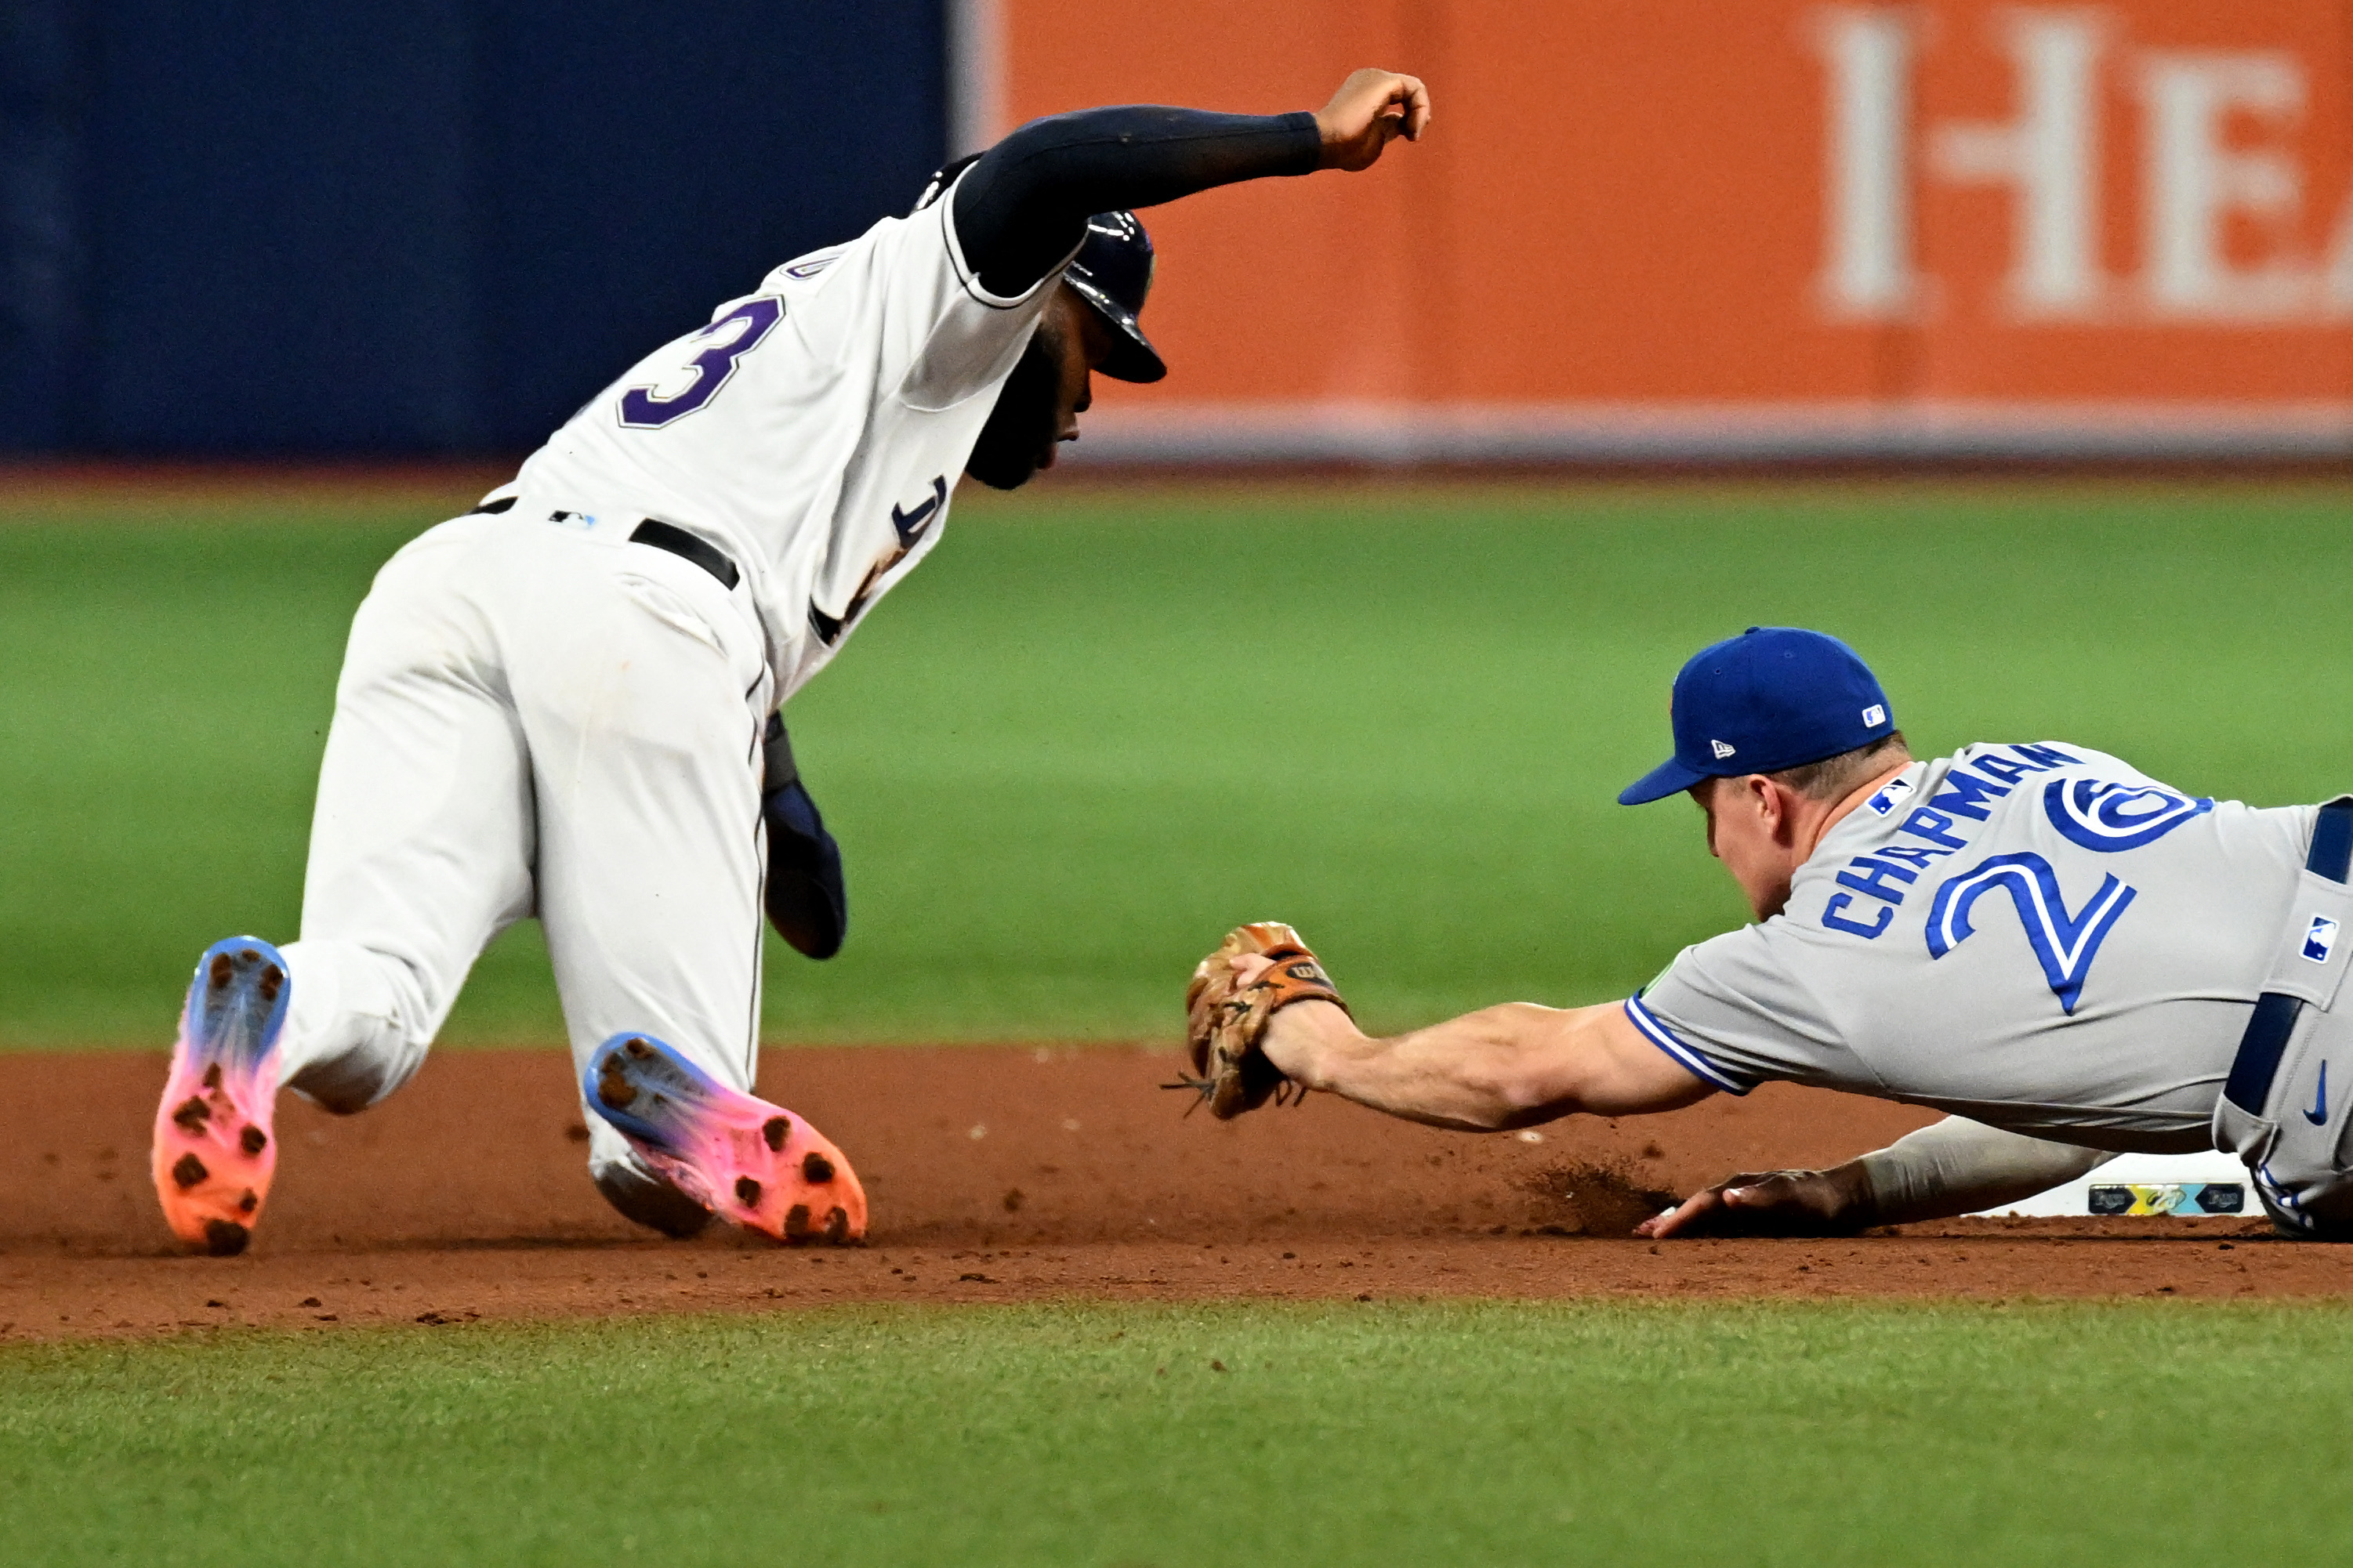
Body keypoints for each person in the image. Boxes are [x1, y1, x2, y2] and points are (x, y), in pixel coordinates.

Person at [151, 69, 1434, 1257]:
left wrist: (781, 806)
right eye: (1093, 343)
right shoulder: (944, 297)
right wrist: (1306, 143)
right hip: (644, 625)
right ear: (1032, 284)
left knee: (368, 1018)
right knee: (654, 1167)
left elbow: (700, 576)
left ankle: (267, 999)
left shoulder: (828, 343)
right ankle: (675, 1102)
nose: (1093, 395)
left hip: (453, 586)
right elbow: (1047, 162)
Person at [1181, 625, 2353, 1240]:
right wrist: (1855, 1191)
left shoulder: (1794, 963)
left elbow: (1532, 1069)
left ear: (1762, 798)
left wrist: (1318, 1046)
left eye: (1703, 806)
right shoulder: (2038, 759)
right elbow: (2088, 1095)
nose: (1710, 843)